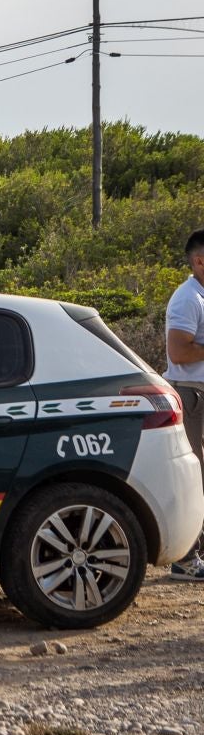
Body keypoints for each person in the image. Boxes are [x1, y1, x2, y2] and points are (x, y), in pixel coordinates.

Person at [165, 229, 204, 580]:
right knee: (195, 476)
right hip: (191, 396)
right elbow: (179, 351)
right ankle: (186, 560)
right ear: (199, 261)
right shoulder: (188, 298)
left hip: (198, 395)